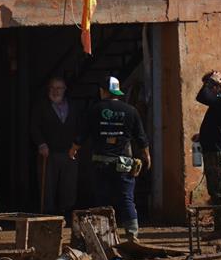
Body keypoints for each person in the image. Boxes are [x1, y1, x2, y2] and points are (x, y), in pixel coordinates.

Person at [84, 76, 149, 239]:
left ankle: (103, 236)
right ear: (118, 92)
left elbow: (83, 134)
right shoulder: (131, 111)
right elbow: (141, 137)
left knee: (102, 199)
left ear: (102, 91)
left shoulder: (94, 110)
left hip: (101, 163)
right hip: (124, 165)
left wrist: (74, 148)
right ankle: (132, 235)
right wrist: (146, 154)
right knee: (126, 198)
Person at [29, 76, 81, 219]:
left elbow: (80, 126)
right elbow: (34, 127)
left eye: (59, 88)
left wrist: (76, 144)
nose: (55, 91)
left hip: (69, 151)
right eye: (52, 88)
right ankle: (48, 216)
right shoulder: (41, 105)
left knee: (69, 185)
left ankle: (67, 213)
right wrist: (41, 144)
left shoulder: (73, 105)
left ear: (64, 89)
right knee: (47, 186)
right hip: (48, 152)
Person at [195, 70, 221, 241]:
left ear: (216, 86)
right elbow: (219, 124)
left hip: (219, 152)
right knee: (215, 191)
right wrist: (203, 135)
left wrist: (210, 81)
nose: (208, 89)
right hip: (214, 150)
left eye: (210, 86)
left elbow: (201, 97)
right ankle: (220, 229)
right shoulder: (219, 103)